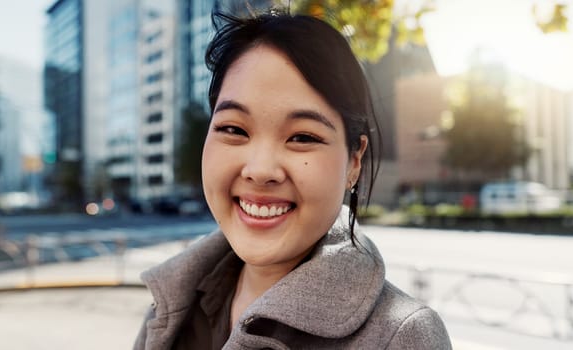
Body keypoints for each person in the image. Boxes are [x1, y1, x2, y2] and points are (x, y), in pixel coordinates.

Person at [134, 10, 451, 350]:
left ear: (354, 161)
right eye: (234, 129)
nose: (260, 170)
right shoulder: (170, 304)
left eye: (302, 137)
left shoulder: (401, 336)